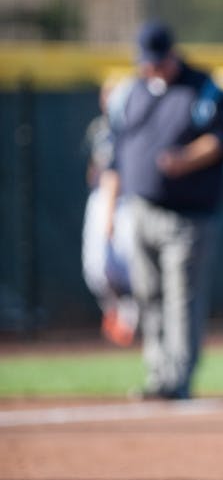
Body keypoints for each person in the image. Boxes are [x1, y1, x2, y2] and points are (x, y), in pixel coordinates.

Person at [107, 21, 223, 399]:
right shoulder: (131, 92)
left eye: (156, 60)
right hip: (140, 210)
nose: (150, 68)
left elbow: (222, 138)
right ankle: (158, 374)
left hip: (188, 217)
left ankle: (178, 378)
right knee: (147, 294)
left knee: (182, 298)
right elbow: (115, 151)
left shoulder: (202, 87)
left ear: (171, 55)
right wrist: (111, 212)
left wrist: (186, 159)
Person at [81, 75, 139, 347]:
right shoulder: (98, 128)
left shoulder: (134, 127)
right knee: (96, 266)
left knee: (129, 266)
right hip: (100, 198)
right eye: (106, 93)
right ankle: (114, 311)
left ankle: (130, 318)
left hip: (127, 202)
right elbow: (94, 169)